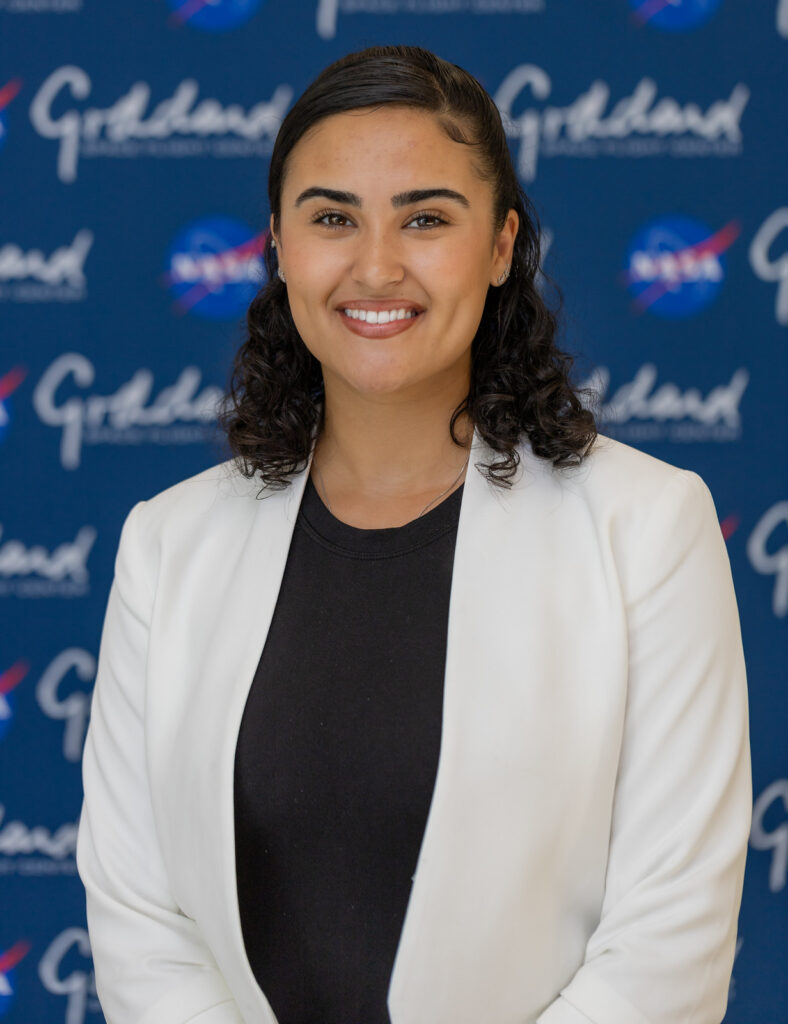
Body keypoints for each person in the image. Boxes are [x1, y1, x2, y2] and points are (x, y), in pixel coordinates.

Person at [76, 45, 751, 1024]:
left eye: (426, 218)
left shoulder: (647, 528)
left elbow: (667, 943)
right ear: (277, 246)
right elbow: (144, 922)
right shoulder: (168, 543)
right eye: (331, 218)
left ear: (499, 245)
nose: (376, 265)